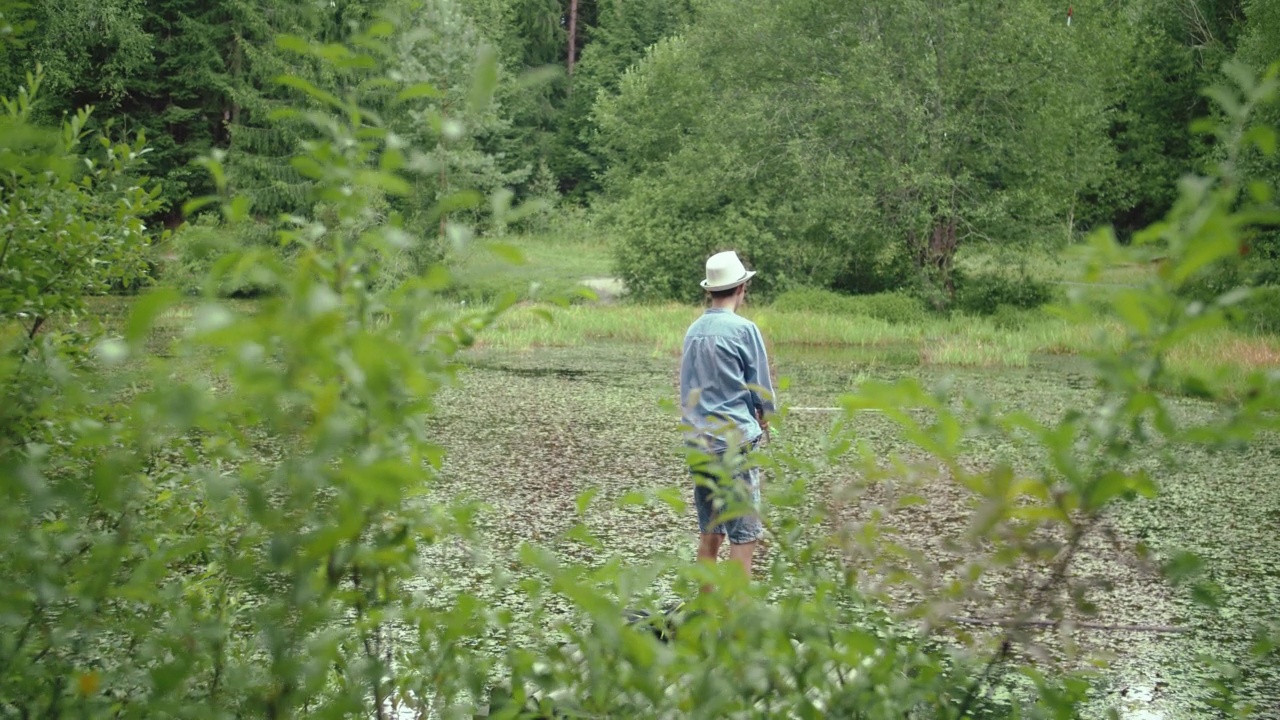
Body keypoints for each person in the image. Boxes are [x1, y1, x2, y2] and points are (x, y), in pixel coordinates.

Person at [679, 250, 775, 582]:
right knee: (744, 536)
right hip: (735, 445)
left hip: (699, 444)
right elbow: (761, 389)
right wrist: (764, 417)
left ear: (711, 290)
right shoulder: (744, 330)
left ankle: (705, 615)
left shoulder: (693, 330)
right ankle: (738, 627)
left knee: (710, 532)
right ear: (741, 289)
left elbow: (688, 390)